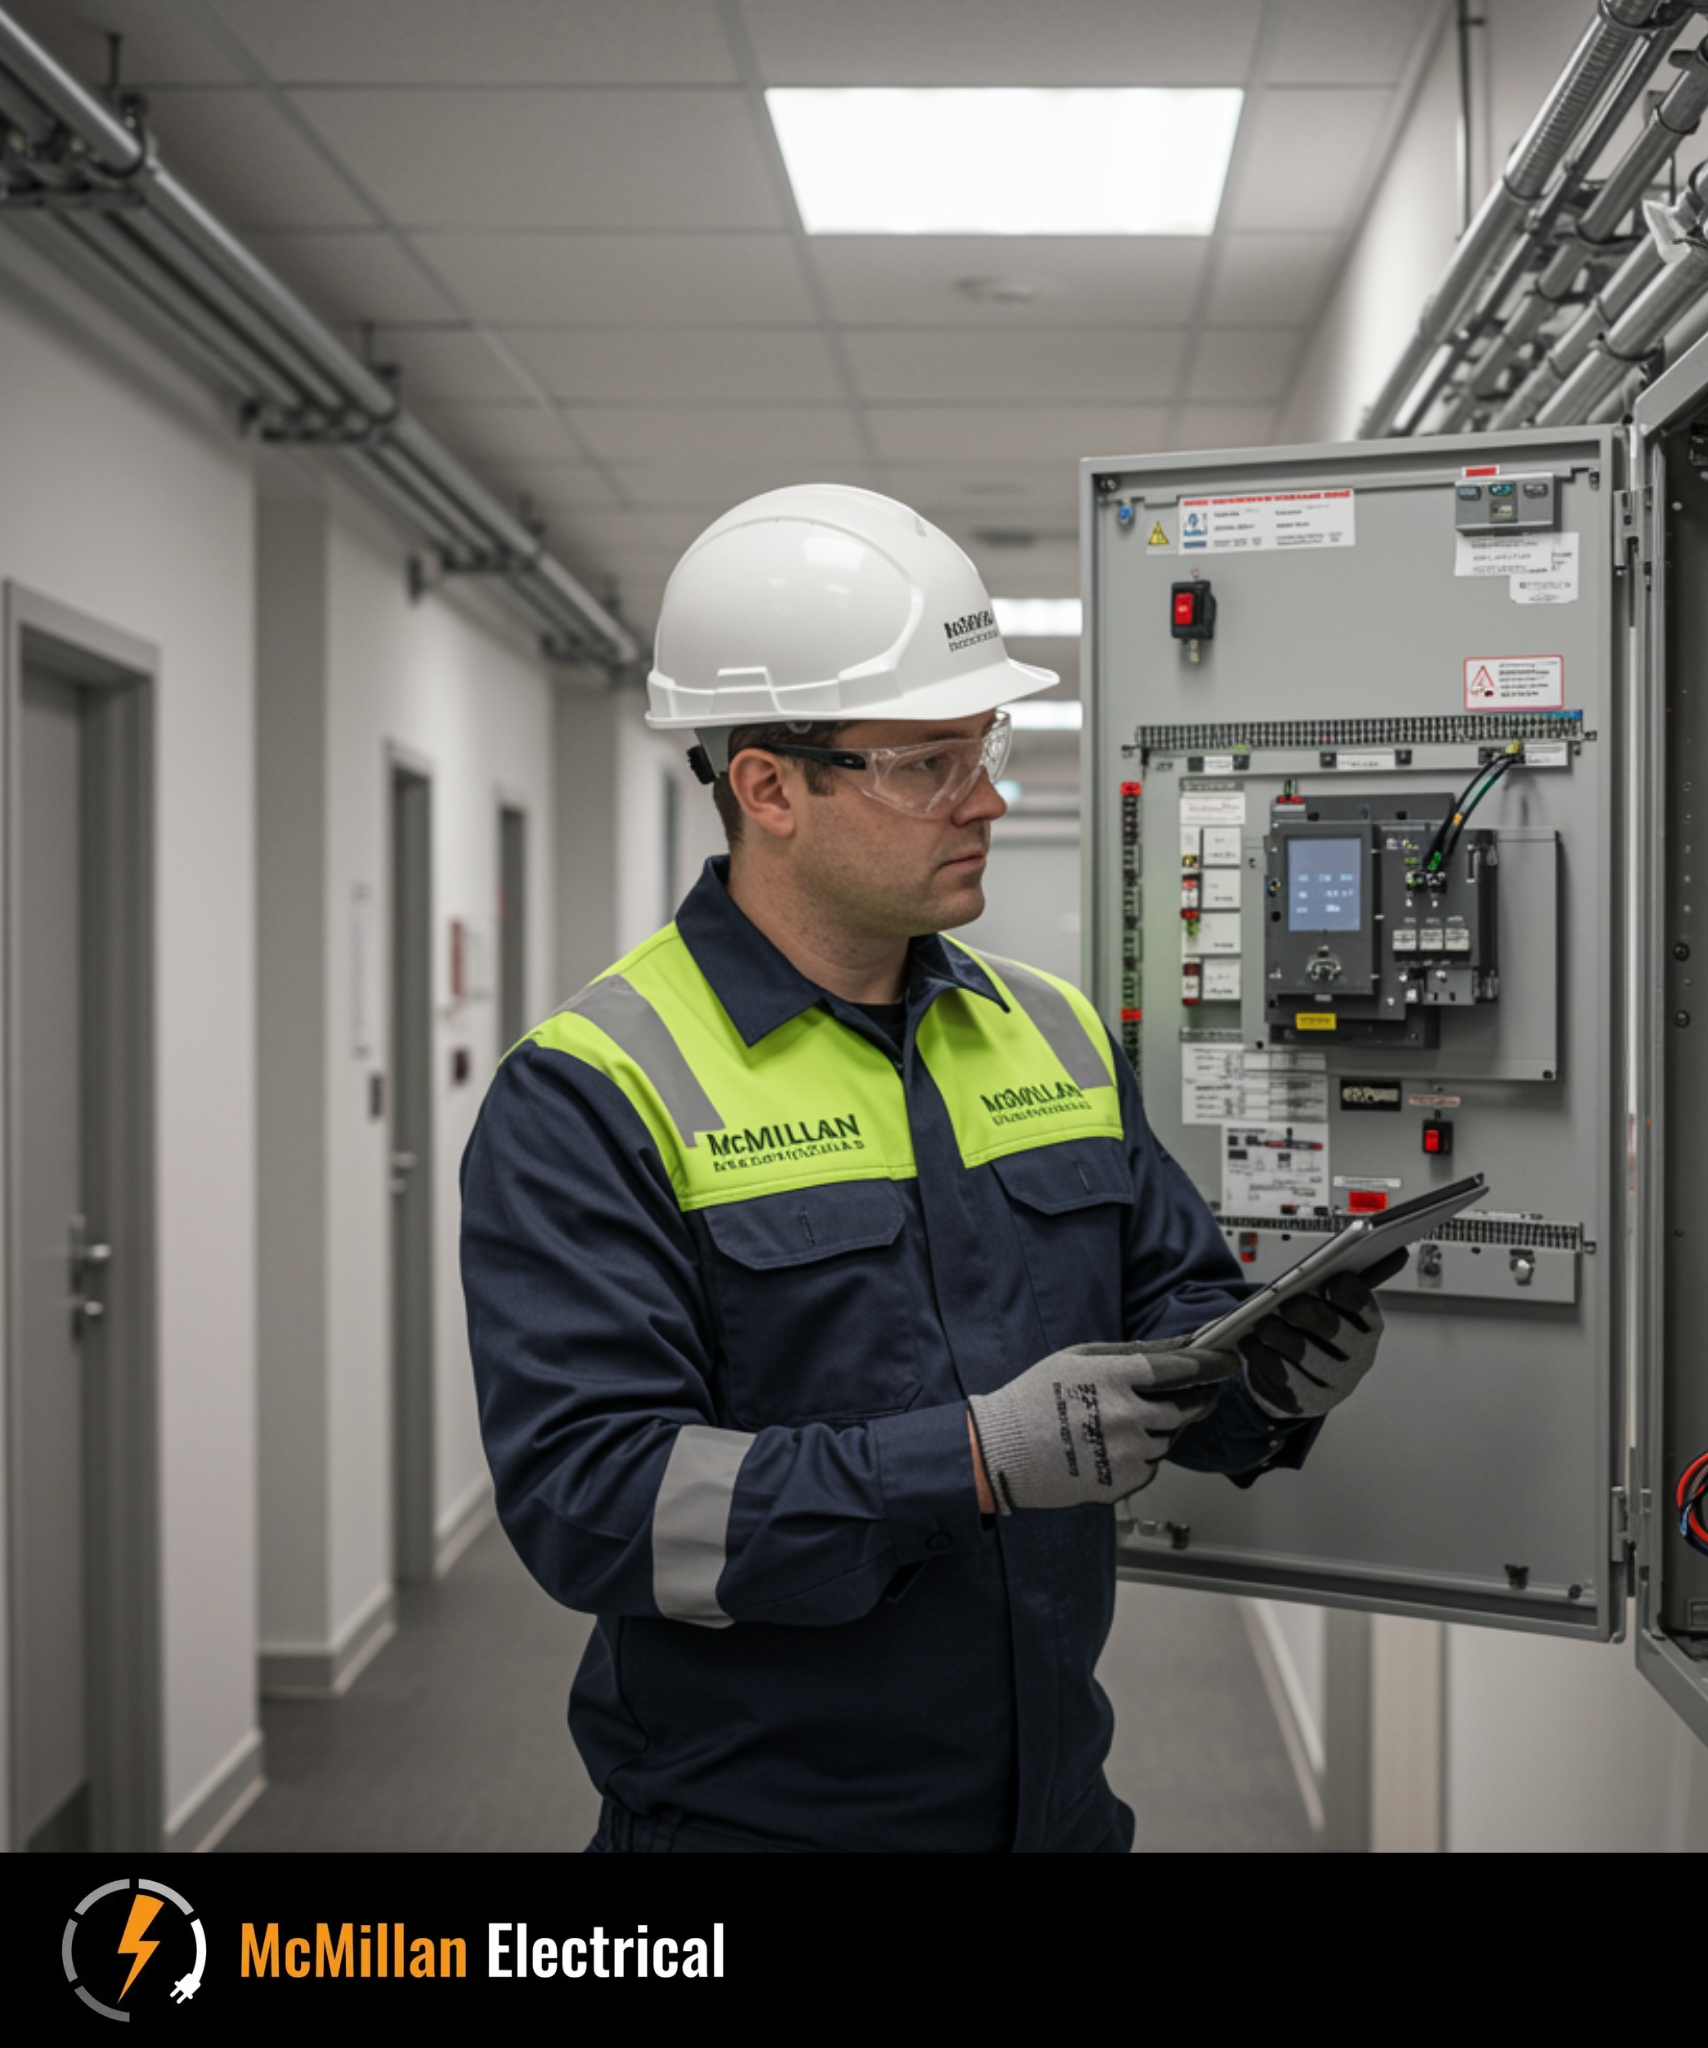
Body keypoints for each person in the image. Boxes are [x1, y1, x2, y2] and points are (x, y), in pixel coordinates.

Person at [460, 484, 1403, 1853]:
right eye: (925, 764)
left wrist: (1263, 1380)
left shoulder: (1056, 1033)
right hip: (756, 1827)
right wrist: (960, 1461)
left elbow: (1174, 1312)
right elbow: (593, 1502)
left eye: (983, 744)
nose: (988, 798)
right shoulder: (594, 1090)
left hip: (1055, 1807)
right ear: (766, 787)